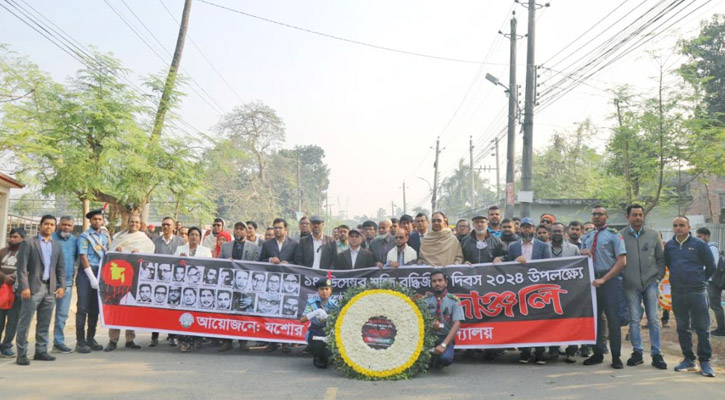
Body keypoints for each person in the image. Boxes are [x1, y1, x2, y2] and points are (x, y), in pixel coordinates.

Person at [665, 216, 716, 377]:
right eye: (675, 225)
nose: (678, 228)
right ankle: (688, 359)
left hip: (698, 292)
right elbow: (668, 264)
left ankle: (705, 362)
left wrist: (699, 280)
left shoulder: (699, 244)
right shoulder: (670, 246)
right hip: (678, 292)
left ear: (689, 227)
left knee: (702, 328)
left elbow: (711, 266)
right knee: (682, 327)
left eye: (682, 225)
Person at [14, 215, 66, 366]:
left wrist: (61, 286)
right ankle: (22, 354)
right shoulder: (29, 243)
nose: (49, 227)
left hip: (50, 289)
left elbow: (60, 268)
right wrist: (24, 287)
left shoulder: (56, 245)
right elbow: (21, 268)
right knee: (25, 321)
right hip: (32, 288)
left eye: (51, 225)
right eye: (46, 224)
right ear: (40, 225)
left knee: (44, 322)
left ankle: (41, 351)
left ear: (54, 227)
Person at [620, 205, 666, 369]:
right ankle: (637, 352)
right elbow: (618, 259)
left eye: (640, 215)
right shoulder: (621, 236)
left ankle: (656, 354)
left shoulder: (653, 234)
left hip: (650, 283)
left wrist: (658, 277)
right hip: (630, 284)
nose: (638, 217)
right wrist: (624, 277)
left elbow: (661, 258)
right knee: (634, 319)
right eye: (634, 215)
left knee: (653, 319)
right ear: (628, 217)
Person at [581, 205, 627, 369]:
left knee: (613, 320)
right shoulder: (587, 236)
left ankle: (616, 356)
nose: (597, 217)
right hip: (592, 283)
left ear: (606, 217)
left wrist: (604, 279)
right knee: (594, 320)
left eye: (600, 214)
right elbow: (581, 260)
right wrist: (583, 253)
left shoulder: (614, 235)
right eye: (594, 214)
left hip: (610, 281)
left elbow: (622, 262)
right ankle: (597, 353)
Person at [506, 217, 552, 364]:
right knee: (523, 320)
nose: (527, 229)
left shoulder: (543, 246)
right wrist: (514, 262)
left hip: (538, 288)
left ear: (534, 229)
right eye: (524, 227)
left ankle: (539, 353)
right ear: (520, 229)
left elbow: (548, 267)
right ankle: (525, 352)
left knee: (539, 321)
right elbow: (507, 267)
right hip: (519, 289)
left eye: (529, 227)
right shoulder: (513, 247)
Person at [105, 214, 154, 352]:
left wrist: (140, 252)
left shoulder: (144, 240)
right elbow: (110, 254)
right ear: (128, 222)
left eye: (137, 222)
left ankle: (130, 339)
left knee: (130, 307)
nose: (134, 224)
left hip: (135, 277)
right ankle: (113, 339)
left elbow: (149, 254)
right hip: (118, 277)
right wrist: (116, 251)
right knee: (116, 306)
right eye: (132, 221)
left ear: (140, 224)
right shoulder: (118, 237)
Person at [218, 221, 259, 352]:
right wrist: (226, 262)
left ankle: (243, 341)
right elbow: (218, 263)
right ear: (233, 231)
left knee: (243, 311)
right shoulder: (226, 246)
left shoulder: (253, 247)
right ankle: (226, 341)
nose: (239, 231)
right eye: (237, 229)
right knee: (228, 312)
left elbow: (256, 265)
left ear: (246, 232)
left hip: (245, 284)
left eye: (242, 229)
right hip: (229, 285)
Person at [548, 222, 582, 363]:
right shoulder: (544, 248)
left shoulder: (573, 249)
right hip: (550, 291)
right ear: (550, 233)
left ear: (564, 233)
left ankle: (572, 351)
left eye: (559, 231)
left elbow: (581, 268)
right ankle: (554, 349)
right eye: (554, 231)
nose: (557, 233)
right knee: (552, 321)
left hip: (570, 290)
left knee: (571, 320)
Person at [76, 208, 108, 354]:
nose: (97, 221)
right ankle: (80, 342)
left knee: (95, 308)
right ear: (90, 221)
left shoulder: (105, 236)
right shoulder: (84, 236)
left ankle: (91, 338)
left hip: (100, 273)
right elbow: (83, 258)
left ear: (103, 221)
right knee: (83, 308)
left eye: (99, 219)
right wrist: (91, 278)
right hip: (86, 273)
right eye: (94, 219)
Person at [150, 216, 185, 347]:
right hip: (159, 280)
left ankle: (173, 336)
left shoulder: (181, 241)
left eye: (168, 225)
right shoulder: (155, 241)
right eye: (163, 224)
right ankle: (154, 337)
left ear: (174, 227)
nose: (165, 227)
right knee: (157, 310)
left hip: (175, 280)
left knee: (172, 308)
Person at [424, 270, 463, 369]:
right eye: (434, 281)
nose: (437, 283)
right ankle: (432, 357)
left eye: (440, 280)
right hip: (428, 338)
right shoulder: (425, 301)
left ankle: (438, 358)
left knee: (446, 359)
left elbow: (457, 324)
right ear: (431, 283)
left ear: (446, 282)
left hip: (445, 337)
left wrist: (444, 344)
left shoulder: (454, 300)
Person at [300, 276, 338, 368]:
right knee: (318, 342)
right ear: (318, 291)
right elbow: (302, 320)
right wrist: (316, 312)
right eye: (321, 289)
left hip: (330, 332)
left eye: (326, 289)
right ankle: (317, 356)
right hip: (316, 331)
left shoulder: (335, 304)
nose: (324, 291)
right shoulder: (312, 303)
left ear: (331, 290)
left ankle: (328, 356)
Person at [0, 227, 25, 357]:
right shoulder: (3, 251)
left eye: (16, 237)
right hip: (1, 291)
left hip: (17, 292)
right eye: (11, 237)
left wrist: (16, 277)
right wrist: (4, 277)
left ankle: (6, 345)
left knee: (13, 320)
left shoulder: (26, 253)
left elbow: (29, 270)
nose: (12, 239)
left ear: (23, 238)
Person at [696, 227, 724, 337]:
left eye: (700, 236)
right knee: (709, 304)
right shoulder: (707, 247)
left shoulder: (711, 248)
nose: (698, 239)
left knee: (715, 305)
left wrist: (704, 273)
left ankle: (721, 329)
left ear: (707, 236)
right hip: (711, 280)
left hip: (713, 281)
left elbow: (714, 264)